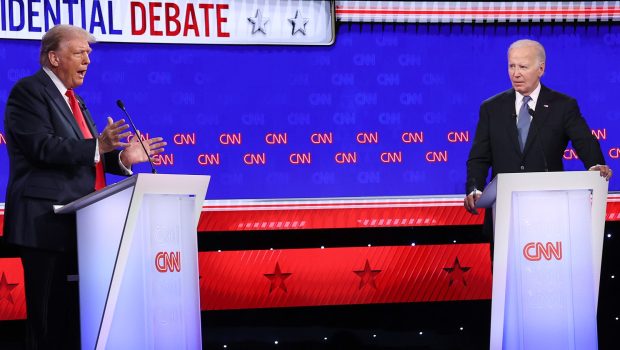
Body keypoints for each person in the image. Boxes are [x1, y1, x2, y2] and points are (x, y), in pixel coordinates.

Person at [3, 24, 166, 349]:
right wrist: (98, 145)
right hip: (44, 224)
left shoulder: (76, 100)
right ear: (53, 57)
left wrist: (124, 159)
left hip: (83, 227)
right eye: (79, 52)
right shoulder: (29, 92)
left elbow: (87, 156)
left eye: (89, 53)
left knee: (75, 322)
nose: (87, 60)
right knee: (47, 323)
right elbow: (42, 148)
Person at [464, 39, 612, 238]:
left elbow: (584, 141)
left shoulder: (563, 105)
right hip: (504, 214)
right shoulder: (491, 108)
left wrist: (595, 165)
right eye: (511, 66)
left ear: (540, 69)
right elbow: (479, 157)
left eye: (523, 67)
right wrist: (475, 188)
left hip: (550, 211)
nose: (515, 73)